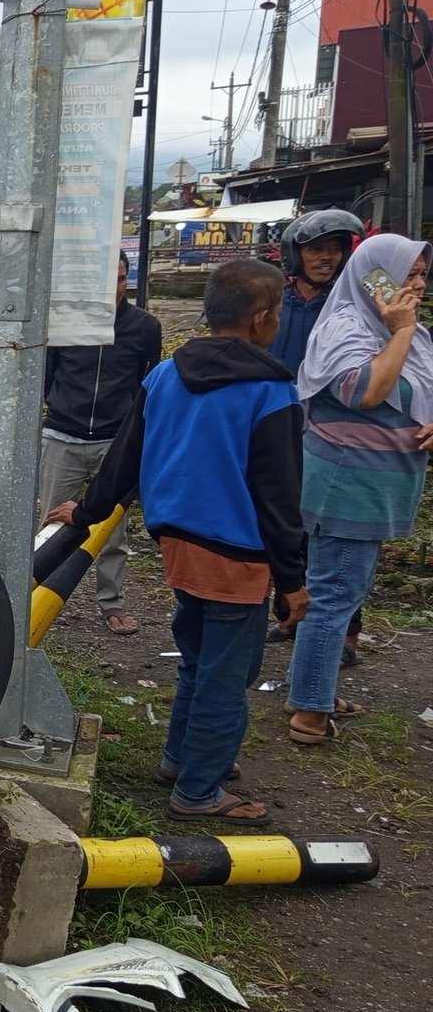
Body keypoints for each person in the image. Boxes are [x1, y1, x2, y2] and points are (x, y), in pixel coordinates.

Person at [49, 258, 307, 824]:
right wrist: (293, 582)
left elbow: (124, 458)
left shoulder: (164, 375)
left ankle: (179, 759)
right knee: (226, 677)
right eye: (280, 310)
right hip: (239, 555)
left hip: (178, 545)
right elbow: (280, 498)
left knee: (198, 658)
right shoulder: (271, 393)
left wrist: (86, 512)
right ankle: (199, 790)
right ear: (261, 317)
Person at [286, 234, 433, 744]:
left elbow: (415, 390)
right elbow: (365, 391)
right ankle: (309, 712)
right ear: (374, 277)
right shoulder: (348, 327)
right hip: (346, 486)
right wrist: (403, 328)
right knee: (334, 596)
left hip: (373, 488)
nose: (417, 285)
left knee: (342, 593)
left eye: (421, 274)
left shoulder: (399, 331)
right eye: (406, 274)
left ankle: (312, 689)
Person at [39, 249, 164, 634]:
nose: (114, 288)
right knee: (49, 524)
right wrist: (57, 407)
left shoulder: (144, 327)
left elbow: (149, 381)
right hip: (62, 436)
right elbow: (47, 374)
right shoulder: (65, 324)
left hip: (116, 444)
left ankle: (112, 603)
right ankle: (33, 595)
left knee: (113, 532)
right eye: (106, 280)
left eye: (122, 278)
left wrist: (132, 429)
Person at [266, 209, 367, 659]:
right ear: (295, 253)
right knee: (285, 524)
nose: (326, 258)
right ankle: (289, 616)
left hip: (334, 427)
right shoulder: (274, 296)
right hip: (277, 425)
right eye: (316, 249)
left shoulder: (360, 297)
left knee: (333, 531)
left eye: (335, 249)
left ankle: (345, 632)